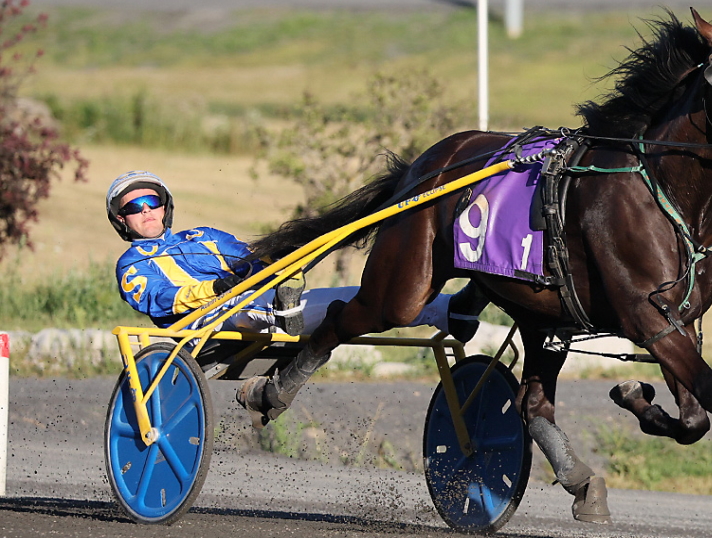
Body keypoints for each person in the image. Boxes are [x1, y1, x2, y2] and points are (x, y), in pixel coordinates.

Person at [107, 171, 489, 423]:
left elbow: (250, 261)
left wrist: (284, 257)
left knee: (362, 300)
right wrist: (215, 289)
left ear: (165, 206)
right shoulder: (131, 264)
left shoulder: (203, 236)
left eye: (152, 202)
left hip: (256, 303)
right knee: (247, 307)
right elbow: (159, 300)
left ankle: (448, 312)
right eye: (134, 208)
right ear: (121, 220)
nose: (147, 212)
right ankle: (282, 309)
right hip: (205, 327)